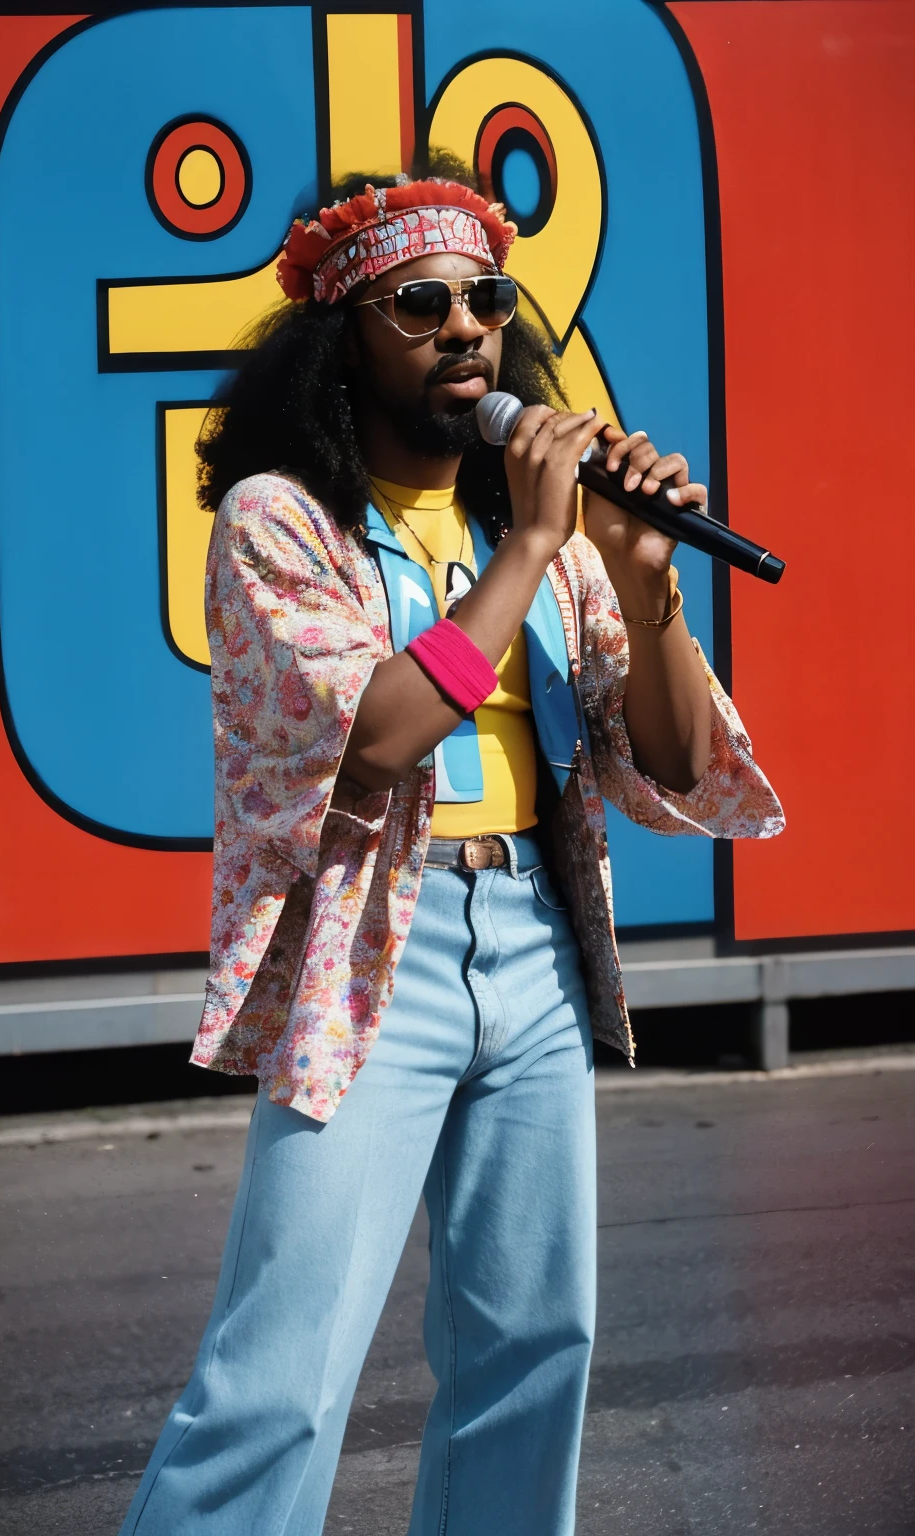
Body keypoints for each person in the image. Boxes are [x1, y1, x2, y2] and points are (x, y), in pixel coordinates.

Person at [118, 164, 783, 1536]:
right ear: (342, 339)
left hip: (533, 943)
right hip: (379, 952)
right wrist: (539, 544)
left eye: (487, 300)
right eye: (419, 303)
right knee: (280, 1377)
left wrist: (645, 578)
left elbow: (666, 757)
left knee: (536, 1350)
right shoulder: (280, 523)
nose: (466, 329)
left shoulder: (531, 539)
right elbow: (376, 730)